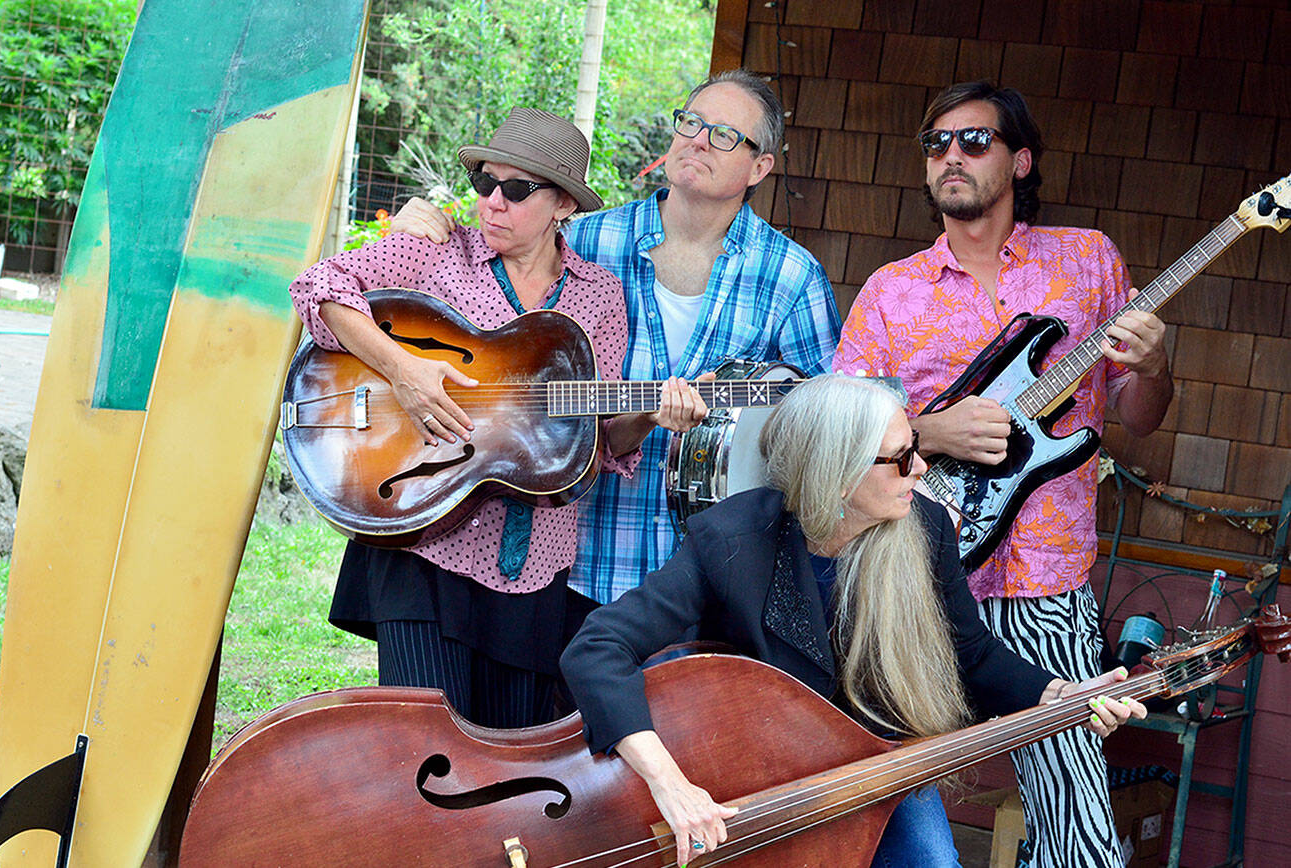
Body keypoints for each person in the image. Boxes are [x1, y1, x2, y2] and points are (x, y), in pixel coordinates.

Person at [559, 374, 1146, 867]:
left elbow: (971, 655)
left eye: (915, 447)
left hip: (878, 761)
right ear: (837, 472)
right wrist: (672, 784)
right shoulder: (734, 538)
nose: (921, 469)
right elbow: (597, 647)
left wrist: (1062, 693)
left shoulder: (926, 528)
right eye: (900, 458)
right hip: (760, 780)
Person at [833, 82, 1173, 868]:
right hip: (909, 574)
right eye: (936, 143)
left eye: (974, 141)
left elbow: (1140, 414)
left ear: (1020, 160)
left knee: (1075, 812)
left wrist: (1156, 367)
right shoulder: (892, 291)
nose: (951, 155)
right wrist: (926, 427)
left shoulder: (1086, 261)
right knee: (876, 785)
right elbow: (836, 433)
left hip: (1045, 585)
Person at [286, 107, 703, 729]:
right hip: (425, 534)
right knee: (424, 749)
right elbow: (319, 288)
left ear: (563, 203)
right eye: (485, 183)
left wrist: (646, 416)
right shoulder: (436, 255)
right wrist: (403, 368)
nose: (492, 203)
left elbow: (597, 443)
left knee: (508, 763)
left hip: (536, 565)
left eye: (515, 189)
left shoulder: (601, 297)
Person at [391, 69, 841, 604]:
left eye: (723, 134)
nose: (698, 138)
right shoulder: (582, 240)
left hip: (712, 579)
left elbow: (820, 425)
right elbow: (482, 348)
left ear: (759, 166)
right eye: (691, 122)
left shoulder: (793, 277)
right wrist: (416, 237)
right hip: (577, 561)